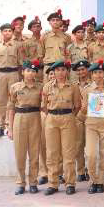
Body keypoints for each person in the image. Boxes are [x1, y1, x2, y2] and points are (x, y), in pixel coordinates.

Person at [41, 60, 82, 195]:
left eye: (63, 70)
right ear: (53, 72)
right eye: (57, 70)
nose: (60, 73)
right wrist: (52, 115)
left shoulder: (73, 87)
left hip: (68, 118)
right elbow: (44, 106)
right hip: (51, 119)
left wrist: (69, 116)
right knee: (52, 153)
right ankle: (53, 184)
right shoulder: (47, 87)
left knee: (68, 153)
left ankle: (70, 183)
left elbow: (77, 106)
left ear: (67, 71)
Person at [7, 59, 43, 195]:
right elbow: (11, 108)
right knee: (20, 154)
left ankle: (33, 182)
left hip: (35, 118)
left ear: (36, 73)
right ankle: (21, 183)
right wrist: (10, 128)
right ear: (23, 72)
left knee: (34, 153)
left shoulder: (40, 87)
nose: (30, 73)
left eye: (33, 71)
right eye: (28, 70)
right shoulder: (15, 87)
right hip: (19, 119)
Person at [79, 60, 104, 194]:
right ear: (92, 75)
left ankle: (100, 181)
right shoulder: (87, 89)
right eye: (95, 73)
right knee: (91, 154)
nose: (98, 75)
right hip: (91, 122)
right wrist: (83, 109)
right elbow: (83, 109)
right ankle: (93, 179)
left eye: (100, 72)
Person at [0, 23, 24, 137]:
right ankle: (0, 126)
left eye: (10, 31)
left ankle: (11, 126)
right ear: (1, 32)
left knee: (13, 100)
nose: (7, 33)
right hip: (1, 74)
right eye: (5, 31)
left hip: (13, 73)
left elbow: (20, 63)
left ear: (12, 32)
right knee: (1, 100)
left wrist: (20, 78)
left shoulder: (17, 45)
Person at [72, 60, 91, 183]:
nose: (81, 72)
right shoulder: (73, 86)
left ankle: (90, 170)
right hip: (78, 118)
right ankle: (80, 171)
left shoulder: (93, 84)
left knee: (90, 146)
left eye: (83, 69)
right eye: (78, 70)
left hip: (90, 117)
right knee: (78, 145)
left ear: (87, 70)